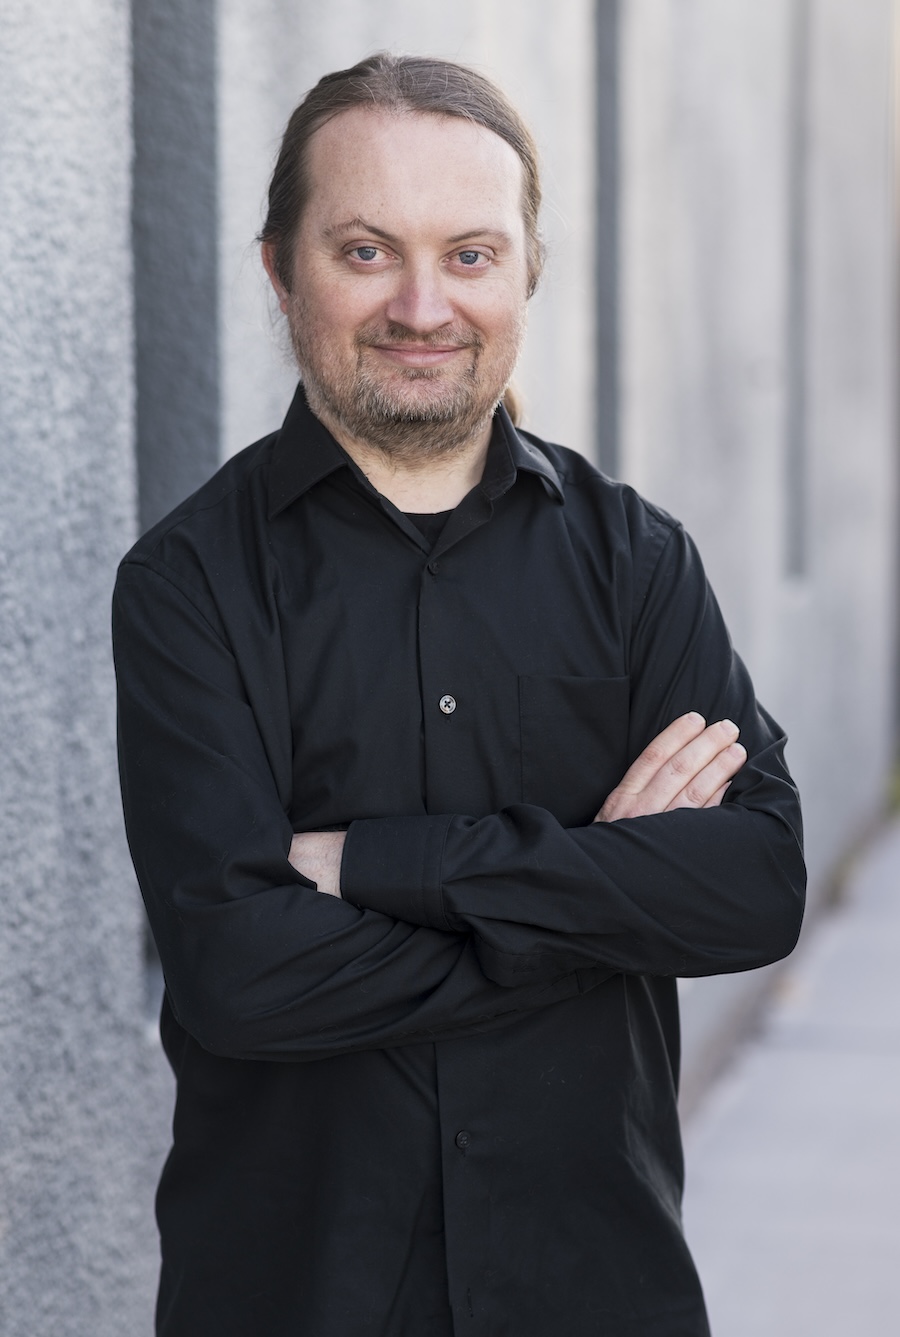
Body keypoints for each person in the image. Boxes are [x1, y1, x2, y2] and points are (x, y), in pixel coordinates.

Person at [113, 52, 805, 1337]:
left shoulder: (636, 562)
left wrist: (390, 867)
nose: (423, 305)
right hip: (291, 1296)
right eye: (367, 250)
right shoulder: (187, 584)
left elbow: (754, 886)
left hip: (596, 1288)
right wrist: (599, 896)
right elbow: (240, 975)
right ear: (279, 266)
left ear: (527, 268)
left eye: (471, 255)